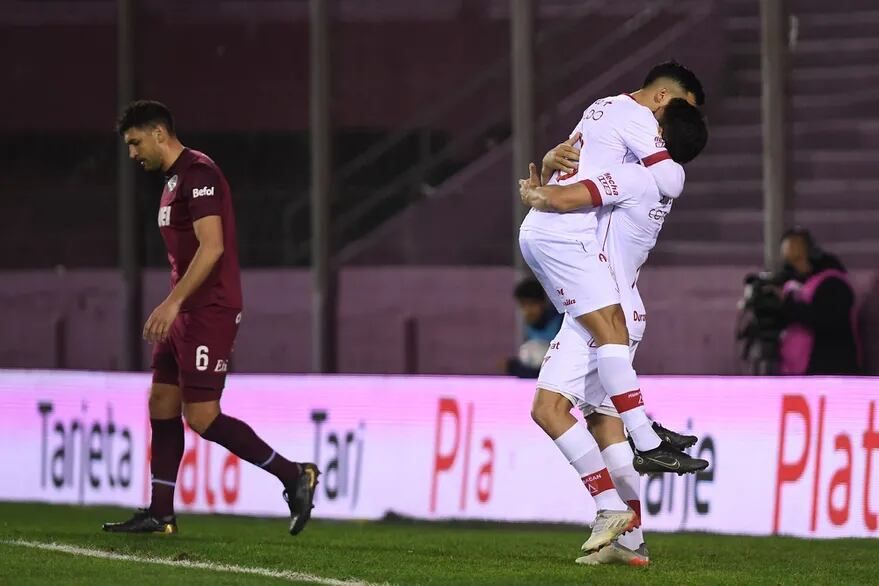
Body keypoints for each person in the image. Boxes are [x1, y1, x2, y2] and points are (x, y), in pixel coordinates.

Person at [516, 62, 709, 554]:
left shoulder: (635, 174)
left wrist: (543, 193)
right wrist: (555, 158)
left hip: (606, 302)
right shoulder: (644, 165)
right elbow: (610, 170)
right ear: (665, 100)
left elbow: (579, 194)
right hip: (619, 297)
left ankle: (640, 451)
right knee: (593, 420)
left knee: (563, 410)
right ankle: (631, 538)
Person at [103, 101, 319, 535]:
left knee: (201, 416)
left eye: (134, 143)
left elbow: (213, 246)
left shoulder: (199, 174)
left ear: (158, 133)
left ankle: (294, 475)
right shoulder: (171, 182)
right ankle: (160, 512)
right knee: (161, 402)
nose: (132, 154)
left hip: (209, 309)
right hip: (185, 308)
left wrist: (172, 303)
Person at [779, 228, 861, 375]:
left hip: (830, 370)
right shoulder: (794, 282)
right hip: (800, 370)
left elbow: (825, 319)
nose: (795, 267)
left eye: (798, 259)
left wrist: (788, 306)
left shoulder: (833, 283)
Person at [506, 278, 563, 378]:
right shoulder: (529, 326)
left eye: (532, 304)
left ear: (543, 303)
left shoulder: (560, 323)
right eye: (523, 305)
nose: (527, 311)